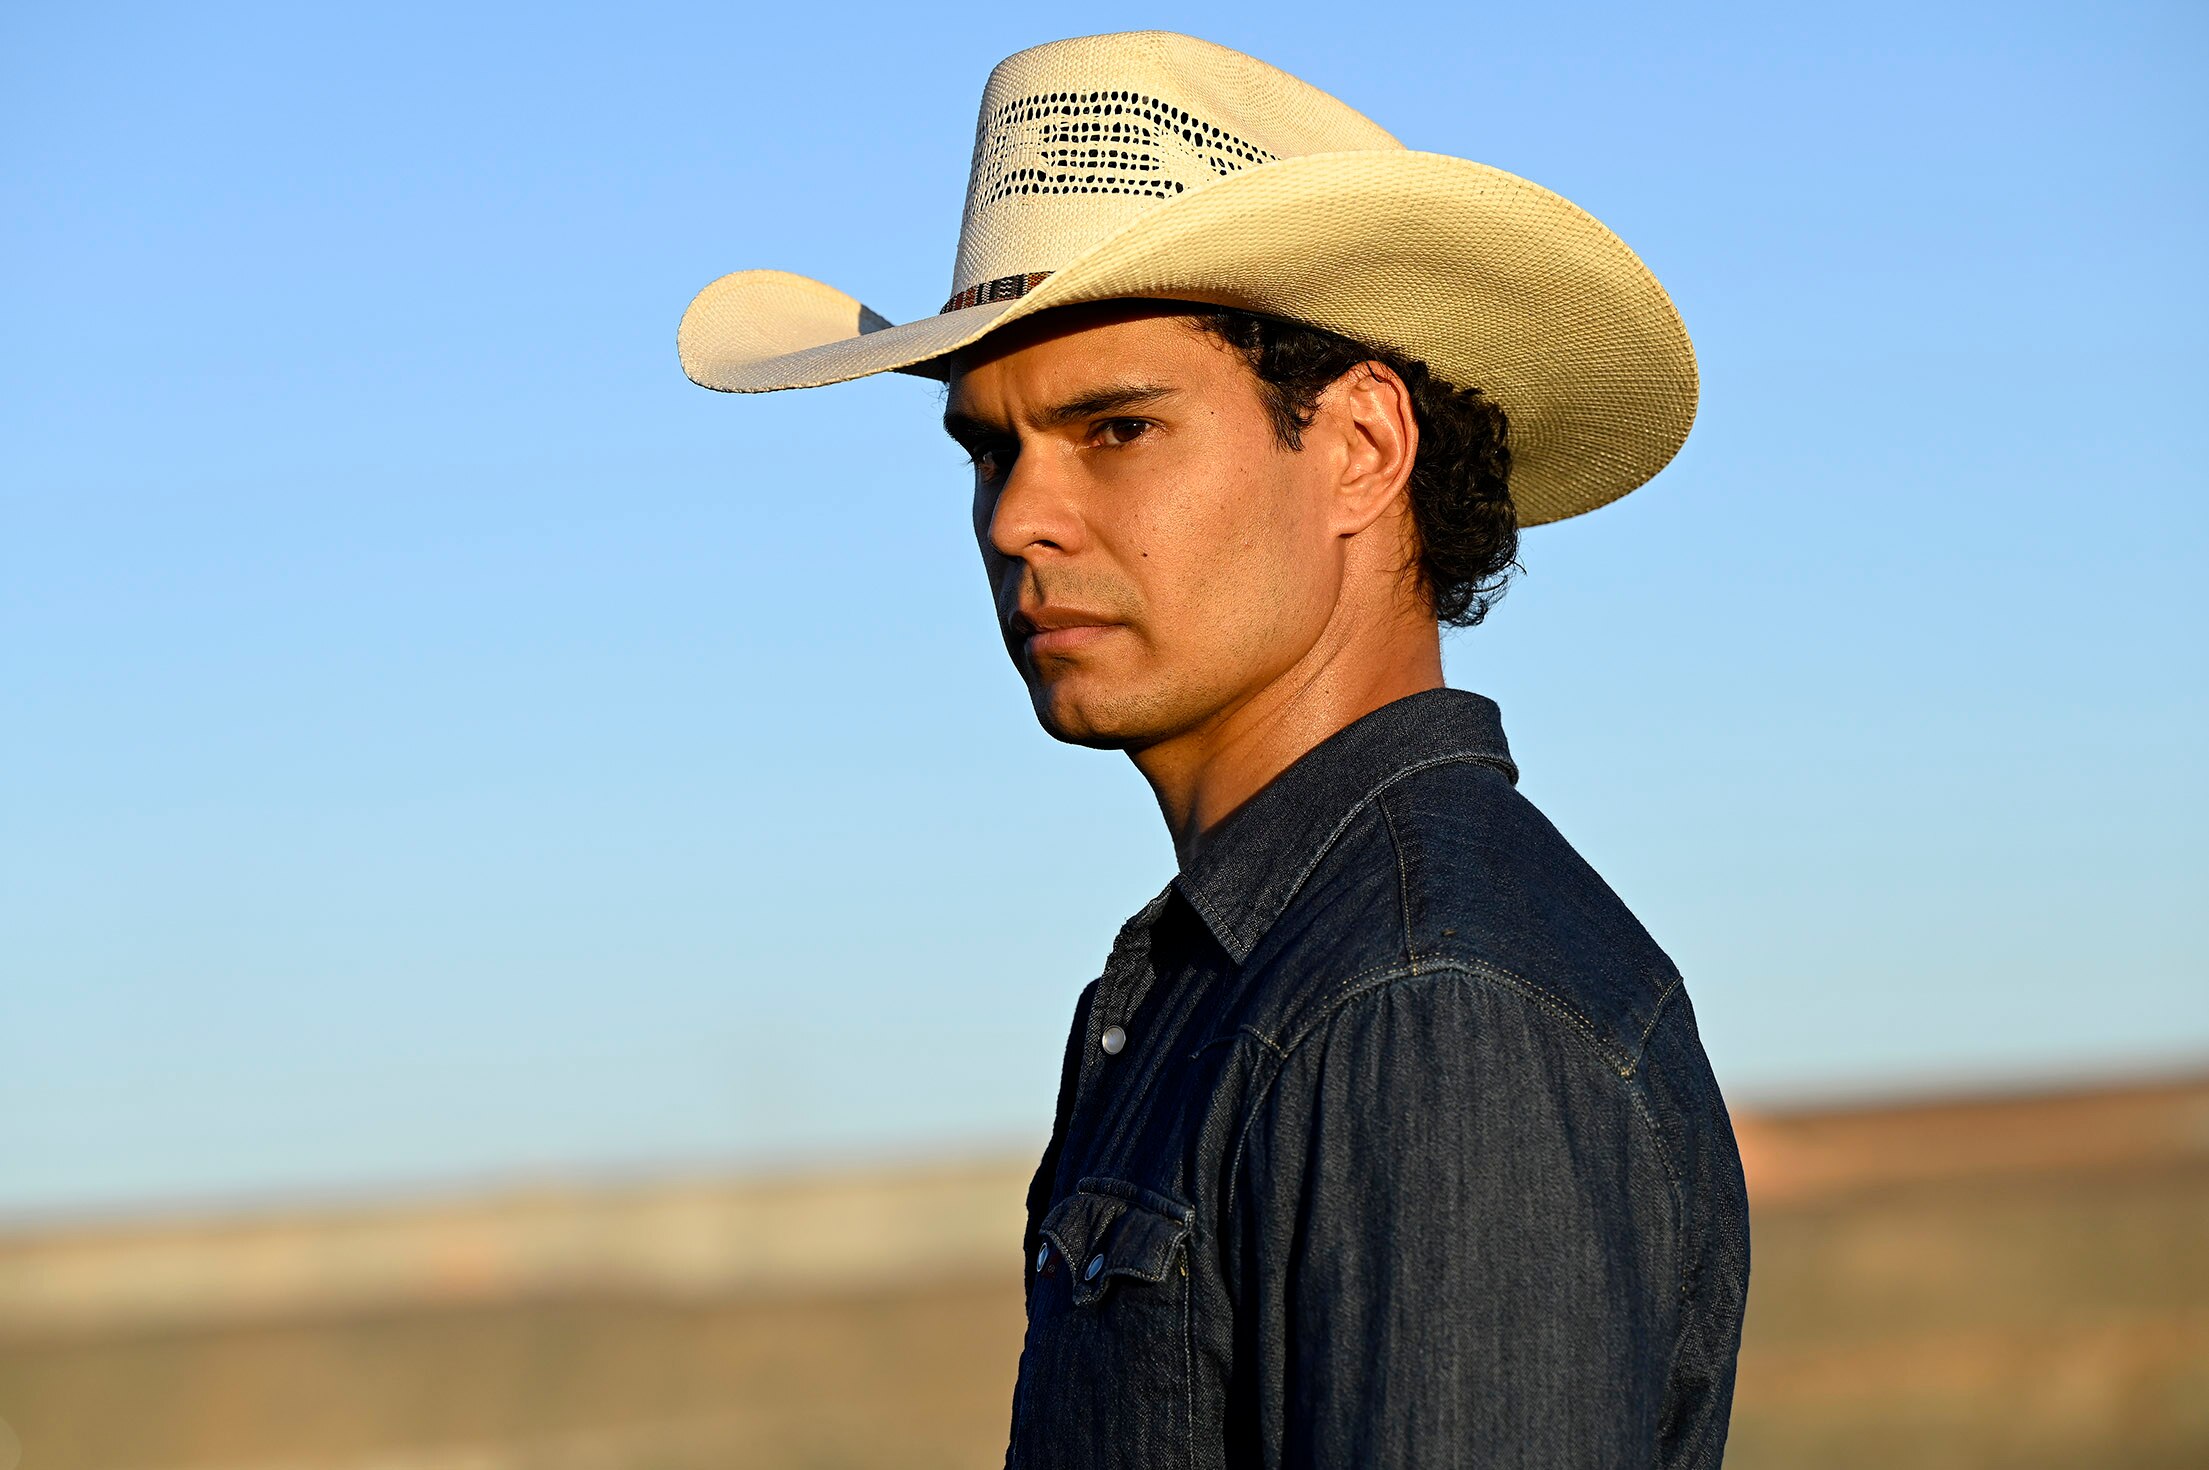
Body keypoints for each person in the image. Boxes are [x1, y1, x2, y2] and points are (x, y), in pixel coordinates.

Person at [679, 30, 1749, 1469]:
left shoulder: (1426, 1008)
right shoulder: (1270, 968)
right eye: (989, 450)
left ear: (1362, 446)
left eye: (1115, 429)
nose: (1018, 520)